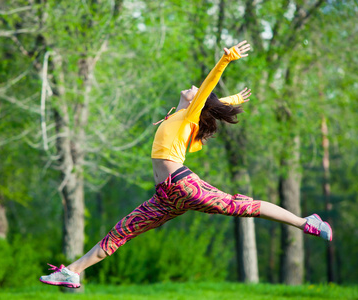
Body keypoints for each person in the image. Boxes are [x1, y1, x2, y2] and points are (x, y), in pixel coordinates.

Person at [39, 40, 332, 288]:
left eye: (196, 90)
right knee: (122, 230)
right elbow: (206, 101)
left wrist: (226, 59)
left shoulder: (189, 115)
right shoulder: (180, 117)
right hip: (166, 196)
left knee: (241, 206)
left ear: (197, 103)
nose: (192, 86)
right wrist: (227, 102)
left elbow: (205, 91)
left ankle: (306, 222)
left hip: (183, 185)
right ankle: (73, 273)